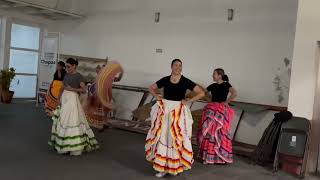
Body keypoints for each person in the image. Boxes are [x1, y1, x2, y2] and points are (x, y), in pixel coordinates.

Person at [145, 59, 205, 178]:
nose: (178, 67)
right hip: (165, 110)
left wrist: (188, 101)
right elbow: (150, 88)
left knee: (175, 137)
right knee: (163, 136)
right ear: (171, 67)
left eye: (180, 65)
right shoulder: (165, 79)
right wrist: (157, 96)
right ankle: (162, 167)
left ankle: (174, 165)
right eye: (176, 65)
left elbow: (201, 93)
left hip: (178, 110)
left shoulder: (185, 81)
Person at [49, 58, 99, 156]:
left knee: (70, 120)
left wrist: (72, 89)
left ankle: (71, 147)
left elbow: (84, 90)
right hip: (64, 98)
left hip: (72, 99)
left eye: (68, 66)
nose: (67, 68)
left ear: (74, 66)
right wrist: (58, 99)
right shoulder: (66, 75)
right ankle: (64, 145)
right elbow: (62, 88)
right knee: (63, 120)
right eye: (66, 66)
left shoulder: (79, 76)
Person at [197, 68, 237, 165]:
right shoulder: (212, 85)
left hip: (221, 110)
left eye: (214, 74)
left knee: (219, 132)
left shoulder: (226, 84)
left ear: (220, 75)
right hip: (211, 109)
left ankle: (220, 157)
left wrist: (227, 102)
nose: (212, 75)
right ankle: (208, 157)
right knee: (209, 132)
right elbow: (203, 93)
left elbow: (234, 93)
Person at [84, 62, 123, 131]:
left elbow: (118, 79)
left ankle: (103, 124)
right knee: (97, 109)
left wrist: (121, 73)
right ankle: (97, 123)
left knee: (104, 110)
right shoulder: (100, 76)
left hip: (104, 95)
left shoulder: (110, 77)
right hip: (98, 94)